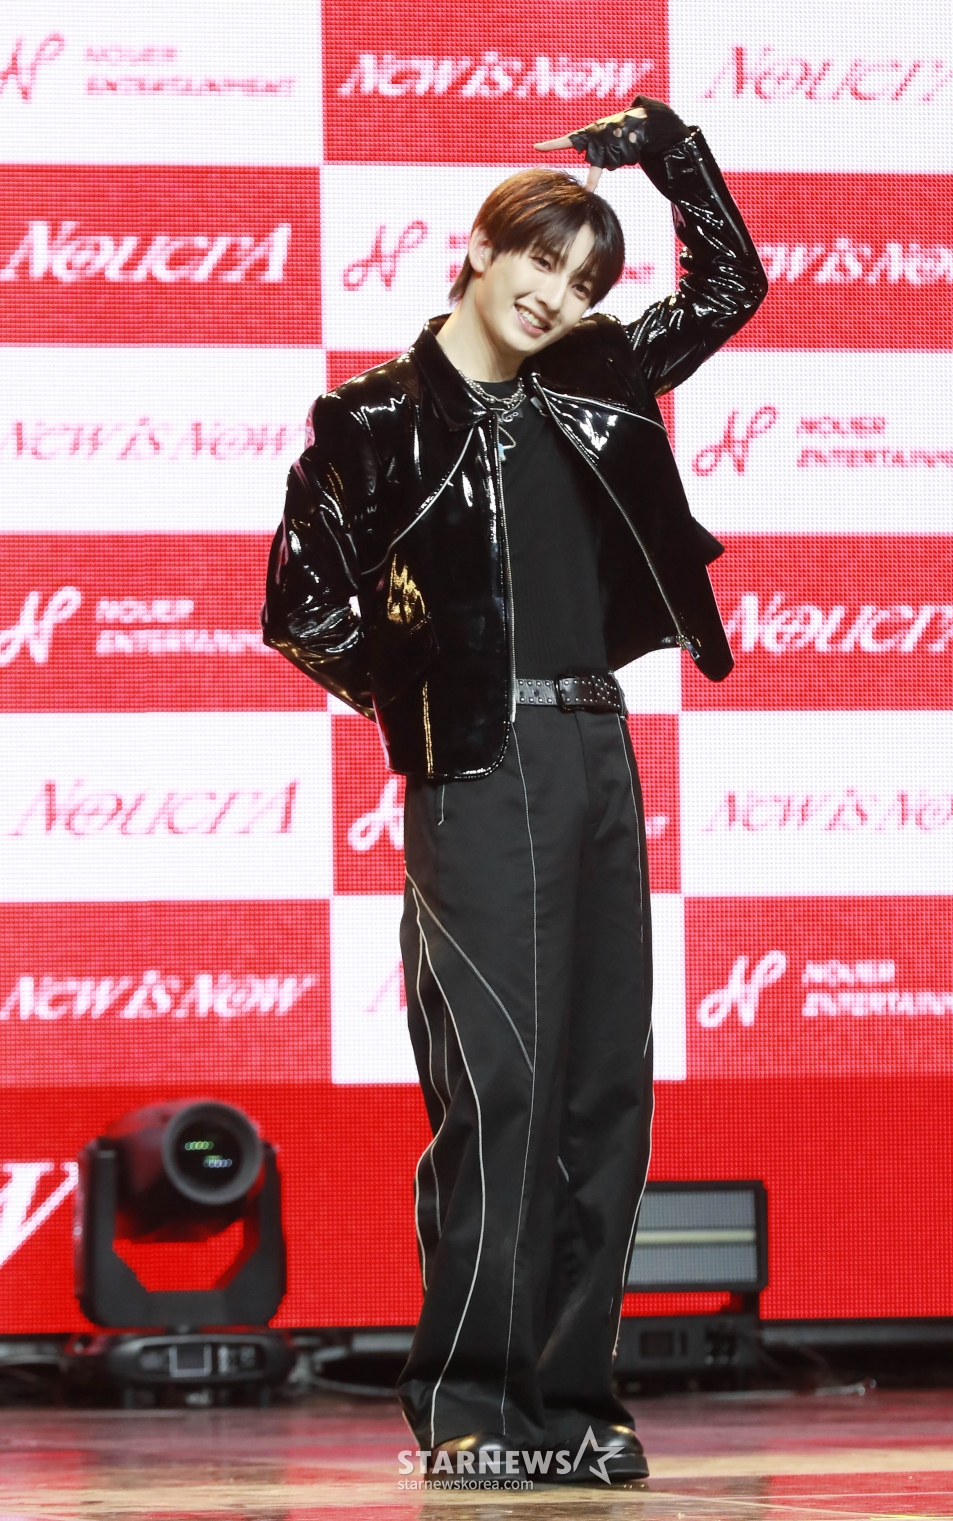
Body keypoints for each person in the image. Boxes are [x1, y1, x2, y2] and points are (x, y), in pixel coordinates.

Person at [263, 95, 767, 1484]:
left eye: (586, 280)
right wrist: (426, 689)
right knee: (501, 1090)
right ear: (479, 252)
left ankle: (575, 1402)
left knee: (606, 1091)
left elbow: (730, 286)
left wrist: (670, 153)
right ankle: (472, 1404)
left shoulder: (600, 376)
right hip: (477, 770)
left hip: (597, 747)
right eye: (541, 260)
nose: (559, 296)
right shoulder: (373, 416)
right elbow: (301, 605)